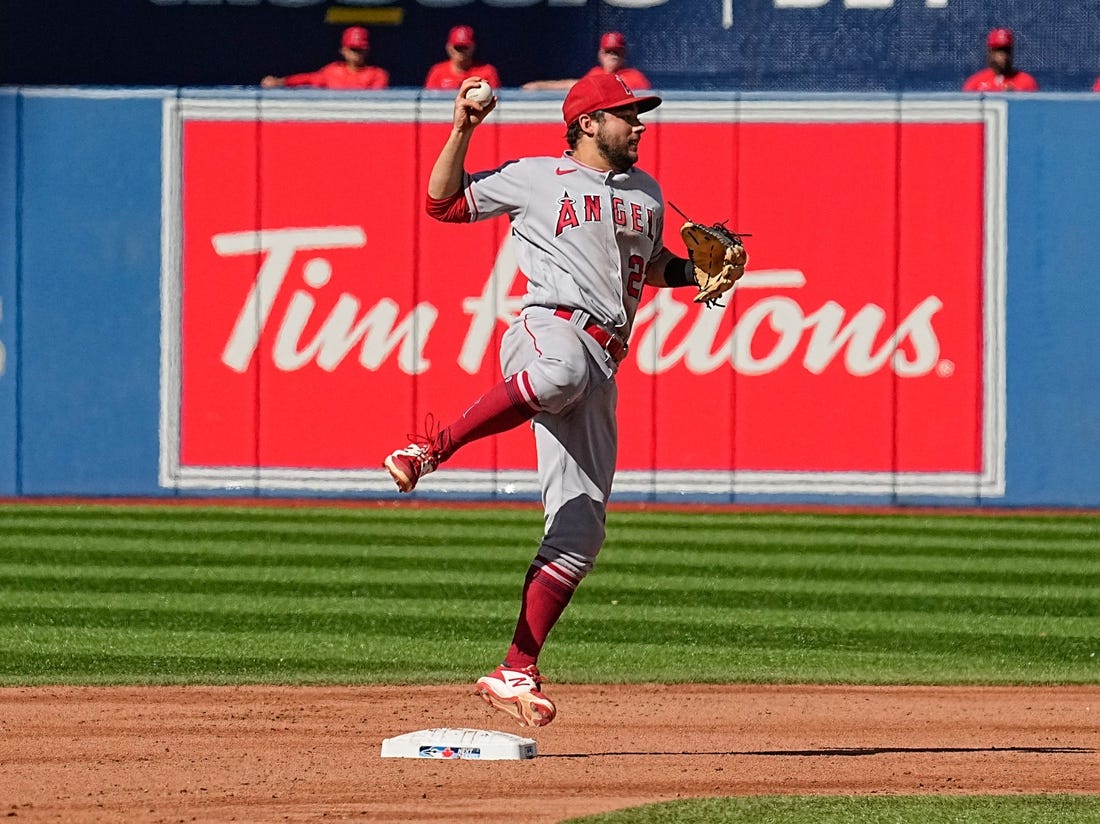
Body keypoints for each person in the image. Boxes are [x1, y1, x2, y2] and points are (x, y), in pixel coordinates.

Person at [382, 72, 745, 727]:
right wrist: (464, 126)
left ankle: (515, 667)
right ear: (586, 124)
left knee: (581, 533)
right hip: (547, 327)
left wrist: (697, 270)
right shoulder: (536, 176)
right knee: (559, 375)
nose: (638, 125)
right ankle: (432, 447)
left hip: (604, 358)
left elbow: (651, 265)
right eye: (625, 115)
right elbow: (443, 205)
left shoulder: (647, 192)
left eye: (639, 115)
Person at [261, 26, 389, 90]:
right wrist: (280, 82)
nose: (356, 54)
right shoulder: (333, 71)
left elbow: (374, 105)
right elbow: (307, 79)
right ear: (343, 50)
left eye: (360, 50)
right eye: (352, 49)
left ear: (367, 51)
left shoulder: (377, 74)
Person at [521, 31, 651, 91]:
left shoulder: (635, 77)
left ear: (624, 55)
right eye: (608, 52)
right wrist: (540, 86)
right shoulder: (595, 73)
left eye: (616, 52)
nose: (612, 56)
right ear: (600, 54)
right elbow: (572, 85)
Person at [423, 25, 501, 91]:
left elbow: (494, 102)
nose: (461, 52)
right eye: (457, 47)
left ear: (472, 48)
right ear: (449, 48)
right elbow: (429, 102)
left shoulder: (487, 72)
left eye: (465, 47)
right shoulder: (438, 72)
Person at [962, 28, 1038, 92]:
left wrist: (1015, 98)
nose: (1003, 55)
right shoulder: (975, 83)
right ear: (990, 52)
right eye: (998, 50)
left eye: (1006, 50)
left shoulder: (1026, 82)